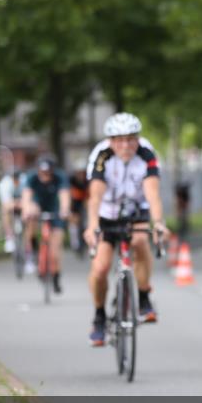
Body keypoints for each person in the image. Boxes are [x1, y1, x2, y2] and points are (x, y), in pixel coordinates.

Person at [84, 112, 168, 347]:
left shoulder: (146, 154)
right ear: (111, 141)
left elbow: (152, 194)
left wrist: (158, 223)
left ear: (137, 139)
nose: (125, 145)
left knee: (140, 241)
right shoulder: (101, 155)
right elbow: (95, 196)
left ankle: (144, 297)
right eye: (119, 140)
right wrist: (92, 225)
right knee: (100, 268)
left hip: (136, 210)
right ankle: (99, 317)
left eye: (131, 139)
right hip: (107, 213)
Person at [21, 157, 71, 291]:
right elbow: (26, 197)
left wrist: (65, 210)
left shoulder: (60, 177)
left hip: (55, 208)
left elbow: (64, 196)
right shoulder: (31, 177)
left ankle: (56, 277)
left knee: (55, 249)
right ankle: (32, 248)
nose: (45, 176)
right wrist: (26, 210)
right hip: (38, 205)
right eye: (42, 173)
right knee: (31, 213)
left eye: (48, 173)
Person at [0, 168, 25, 253]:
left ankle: (30, 240)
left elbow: (29, 198)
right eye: (14, 178)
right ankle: (9, 237)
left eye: (17, 178)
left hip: (23, 203)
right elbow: (6, 203)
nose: (16, 180)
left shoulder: (25, 181)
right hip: (12, 203)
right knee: (5, 210)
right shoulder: (4, 184)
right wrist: (16, 203)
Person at [68, 164, 89, 257]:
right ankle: (75, 242)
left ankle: (85, 241)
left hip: (85, 201)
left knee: (86, 221)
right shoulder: (71, 180)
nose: (81, 175)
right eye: (79, 173)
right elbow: (68, 193)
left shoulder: (88, 180)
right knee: (74, 221)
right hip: (75, 202)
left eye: (83, 173)